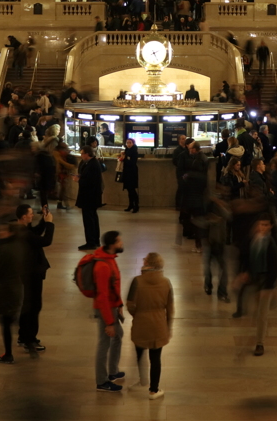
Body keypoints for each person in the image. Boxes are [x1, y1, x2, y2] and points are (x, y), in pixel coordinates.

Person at [126, 252, 174, 400]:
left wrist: (137, 315)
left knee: (140, 353)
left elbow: (130, 304)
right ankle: (153, 390)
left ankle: (142, 380)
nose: (142, 260)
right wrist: (168, 326)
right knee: (155, 358)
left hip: (141, 323)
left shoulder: (137, 281)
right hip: (158, 325)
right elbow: (170, 308)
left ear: (149, 264)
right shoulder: (166, 282)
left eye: (145, 259)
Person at [235, 215, 277, 356]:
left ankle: (259, 343)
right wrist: (243, 273)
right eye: (262, 224)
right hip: (253, 279)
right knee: (250, 309)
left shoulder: (272, 244)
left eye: (267, 225)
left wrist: (268, 288)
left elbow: (275, 268)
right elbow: (243, 257)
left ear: (271, 227)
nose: (264, 228)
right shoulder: (251, 240)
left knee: (262, 314)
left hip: (265, 281)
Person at [16, 204, 54, 356]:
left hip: (29, 272)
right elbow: (45, 241)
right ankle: (29, 339)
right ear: (24, 217)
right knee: (33, 306)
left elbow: (36, 233)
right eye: (30, 214)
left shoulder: (23, 229)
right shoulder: (23, 233)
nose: (32, 216)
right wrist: (50, 223)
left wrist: (44, 221)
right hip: (31, 273)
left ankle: (23, 335)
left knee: (29, 304)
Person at [92, 230, 125, 392]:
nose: (122, 243)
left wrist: (119, 304)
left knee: (119, 336)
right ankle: (101, 381)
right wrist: (109, 322)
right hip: (106, 310)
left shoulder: (110, 258)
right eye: (119, 241)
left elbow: (114, 286)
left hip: (112, 307)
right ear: (112, 244)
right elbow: (102, 297)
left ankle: (112, 371)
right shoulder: (103, 266)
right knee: (104, 344)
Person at [0, 221, 25, 364]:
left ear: (10, 233)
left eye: (3, 230)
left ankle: (8, 354)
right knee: (10, 319)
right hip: (16, 287)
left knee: (6, 323)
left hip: (5, 290)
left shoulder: (3, 249)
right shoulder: (19, 247)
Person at [76, 147, 104, 251]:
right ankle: (94, 240)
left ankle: (91, 242)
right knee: (92, 219)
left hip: (89, 197)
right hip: (91, 197)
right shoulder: (91, 163)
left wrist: (79, 180)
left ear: (87, 154)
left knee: (89, 220)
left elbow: (90, 181)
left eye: (82, 153)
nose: (81, 155)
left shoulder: (92, 165)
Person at [120, 138, 141, 213]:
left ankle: (136, 205)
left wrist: (125, 158)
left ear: (133, 143)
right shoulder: (126, 150)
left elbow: (132, 162)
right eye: (127, 142)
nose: (128, 144)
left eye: (130, 143)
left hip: (132, 172)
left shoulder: (134, 151)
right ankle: (131, 204)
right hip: (127, 172)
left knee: (132, 190)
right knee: (129, 190)